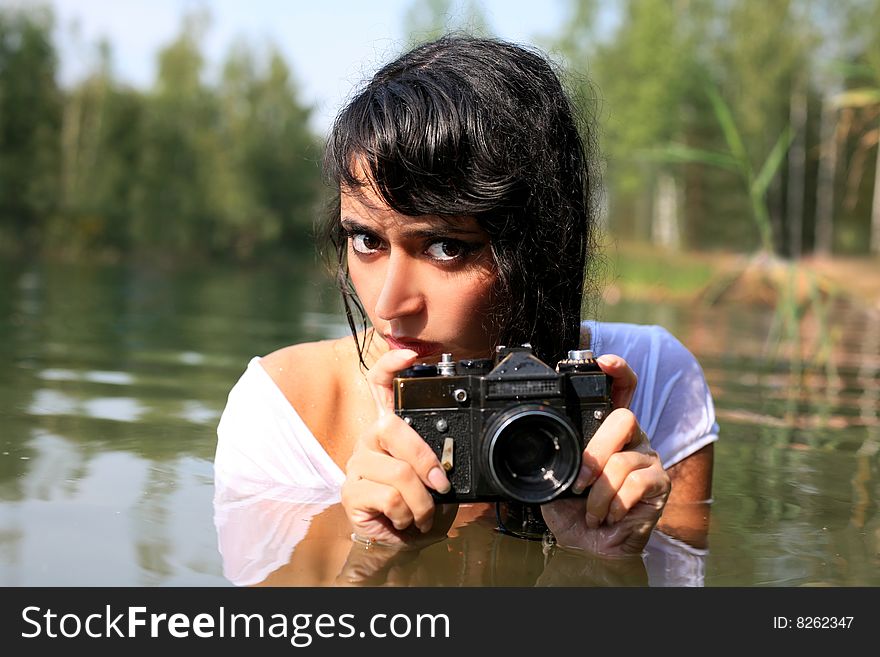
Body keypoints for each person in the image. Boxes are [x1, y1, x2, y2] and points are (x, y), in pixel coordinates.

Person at [213, 35, 718, 574]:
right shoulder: (284, 410)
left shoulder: (655, 384)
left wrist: (603, 567)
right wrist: (374, 559)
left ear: (540, 245)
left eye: (445, 247)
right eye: (366, 241)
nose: (389, 304)